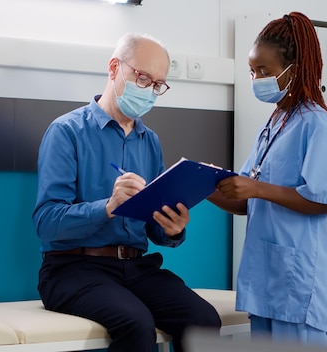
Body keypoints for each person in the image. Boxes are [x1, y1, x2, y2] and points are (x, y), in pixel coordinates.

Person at [32, 32, 221, 352]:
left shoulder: (150, 141)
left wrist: (172, 228)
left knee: (203, 320)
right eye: (142, 77)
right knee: (135, 324)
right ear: (114, 67)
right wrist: (108, 206)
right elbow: (46, 223)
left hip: (136, 267)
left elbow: (156, 229)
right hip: (72, 270)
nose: (149, 90)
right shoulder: (66, 132)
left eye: (158, 84)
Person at [207, 12, 327, 348]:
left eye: (264, 71)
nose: (257, 78)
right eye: (252, 71)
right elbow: (246, 202)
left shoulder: (319, 126)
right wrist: (203, 186)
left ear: (294, 69)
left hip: (302, 282)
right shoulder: (273, 125)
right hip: (267, 281)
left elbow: (323, 200)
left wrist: (256, 188)